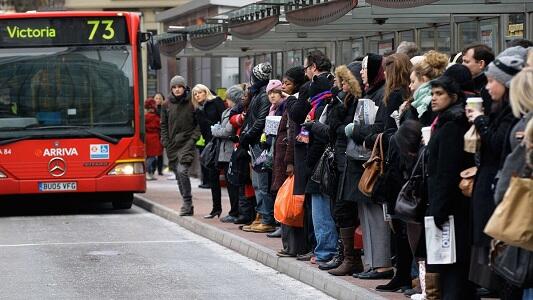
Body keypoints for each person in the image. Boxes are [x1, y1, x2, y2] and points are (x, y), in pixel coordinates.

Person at [465, 52, 524, 297]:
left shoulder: (513, 113)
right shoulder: (500, 109)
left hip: (505, 188)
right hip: (491, 181)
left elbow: (499, 144)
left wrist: (480, 121)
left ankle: (498, 283)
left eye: (492, 82)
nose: (487, 87)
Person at [426, 76, 476, 299]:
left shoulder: (451, 125)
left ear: (453, 97)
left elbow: (447, 171)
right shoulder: (447, 120)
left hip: (451, 206)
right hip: (454, 204)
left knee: (453, 266)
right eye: (433, 94)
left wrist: (439, 208)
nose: (434, 98)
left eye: (439, 94)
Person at [325, 61, 365, 276]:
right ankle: (346, 256)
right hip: (341, 159)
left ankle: (351, 258)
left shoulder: (357, 99)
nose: (341, 85)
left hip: (350, 160)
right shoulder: (343, 98)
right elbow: (333, 124)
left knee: (345, 209)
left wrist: (342, 125)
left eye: (344, 81)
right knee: (340, 210)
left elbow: (341, 128)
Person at [273, 66, 309, 255]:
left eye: (287, 83)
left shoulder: (295, 102)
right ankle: (289, 245)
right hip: (286, 157)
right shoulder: (291, 102)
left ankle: (294, 247)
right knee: (288, 202)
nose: (284, 87)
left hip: (291, 159)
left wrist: (289, 162)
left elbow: (293, 130)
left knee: (293, 204)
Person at [240, 62, 276, 233]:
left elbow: (260, 121)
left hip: (259, 145)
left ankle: (266, 217)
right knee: (257, 183)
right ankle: (261, 214)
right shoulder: (257, 94)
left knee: (261, 183)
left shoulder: (262, 95)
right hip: (255, 143)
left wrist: (247, 136)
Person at [161, 75, 201, 216]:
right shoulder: (166, 104)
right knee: (178, 174)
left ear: (184, 88)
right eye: (175, 87)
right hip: (172, 145)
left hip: (187, 143)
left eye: (180, 87)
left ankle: (187, 202)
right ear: (171, 89)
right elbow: (163, 125)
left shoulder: (192, 102)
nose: (177, 90)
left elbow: (198, 125)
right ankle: (187, 204)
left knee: (182, 171)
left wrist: (192, 140)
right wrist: (165, 142)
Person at [192, 84, 226, 219]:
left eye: (200, 92)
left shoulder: (216, 102)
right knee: (213, 177)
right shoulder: (198, 109)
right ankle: (216, 209)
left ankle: (235, 210)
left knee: (229, 177)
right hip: (210, 145)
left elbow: (224, 119)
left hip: (222, 141)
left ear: (205, 92)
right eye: (195, 94)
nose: (197, 95)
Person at [211, 85, 244, 223]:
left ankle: (235, 211)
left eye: (229, 98)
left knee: (233, 184)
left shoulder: (235, 112)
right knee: (230, 183)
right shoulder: (227, 111)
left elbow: (227, 131)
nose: (227, 101)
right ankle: (233, 210)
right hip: (224, 152)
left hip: (231, 151)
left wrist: (215, 130)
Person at [406, 50, 449, 125]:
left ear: (424, 79)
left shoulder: (428, 103)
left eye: (413, 81)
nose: (410, 86)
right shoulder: (420, 102)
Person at [462, 44, 494, 113]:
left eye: (466, 62)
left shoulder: (488, 89)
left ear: (481, 64)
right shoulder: (465, 83)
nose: (462, 65)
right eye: (463, 61)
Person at [144, 98, 163, 181]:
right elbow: (160, 126)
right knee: (152, 157)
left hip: (147, 137)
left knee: (149, 156)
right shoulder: (155, 117)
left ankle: (149, 173)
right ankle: (148, 172)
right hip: (154, 137)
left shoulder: (145, 117)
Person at [153, 92, 166, 176]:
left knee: (160, 152)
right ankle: (153, 169)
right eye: (156, 98)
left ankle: (160, 169)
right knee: (153, 152)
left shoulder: (164, 109)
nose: (158, 100)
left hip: (162, 132)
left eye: (159, 98)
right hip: (154, 133)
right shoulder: (151, 109)